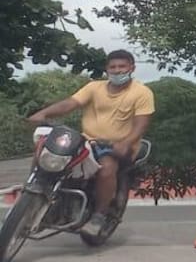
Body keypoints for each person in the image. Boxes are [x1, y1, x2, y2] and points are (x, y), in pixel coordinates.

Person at [26, 49, 156, 237]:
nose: (117, 71)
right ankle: (33, 194)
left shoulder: (142, 92)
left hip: (118, 145)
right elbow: (70, 103)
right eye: (113, 67)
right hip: (88, 140)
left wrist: (126, 142)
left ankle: (99, 215)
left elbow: (141, 124)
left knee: (107, 167)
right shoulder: (94, 87)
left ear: (132, 68)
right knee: (46, 150)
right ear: (107, 69)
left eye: (122, 66)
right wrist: (44, 113)